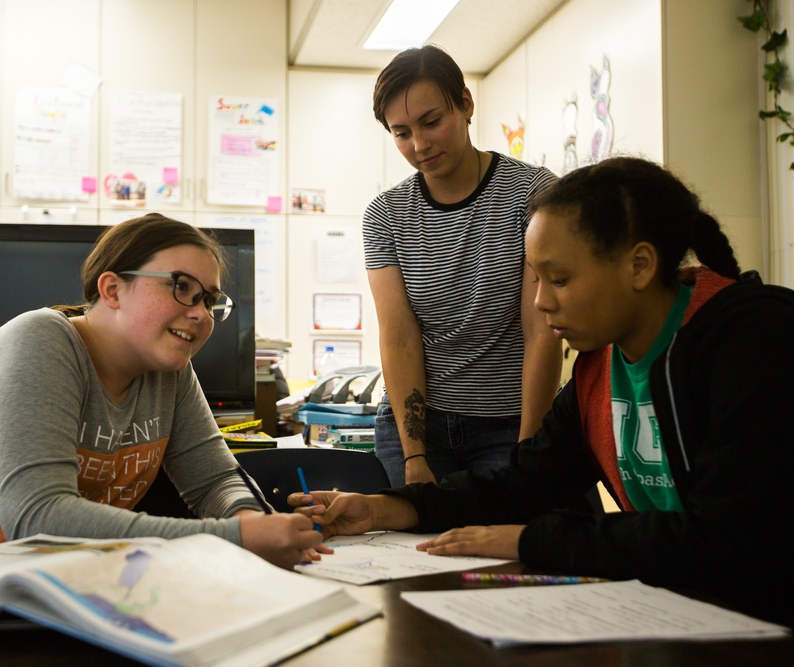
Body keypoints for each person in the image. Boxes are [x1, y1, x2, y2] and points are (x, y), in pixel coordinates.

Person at [293, 157, 794, 625]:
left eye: (559, 279)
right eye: (536, 279)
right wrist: (386, 508)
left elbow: (726, 541)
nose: (539, 302)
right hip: (698, 614)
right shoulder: (601, 367)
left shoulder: (756, 339)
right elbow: (522, 482)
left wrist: (533, 539)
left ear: (639, 266)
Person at [0, 213, 322, 570]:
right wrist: (234, 538)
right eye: (181, 287)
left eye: (209, 299)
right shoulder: (40, 340)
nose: (201, 314)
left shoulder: (168, 369)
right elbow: (38, 516)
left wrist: (249, 519)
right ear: (112, 289)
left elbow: (215, 480)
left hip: (48, 582)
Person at [363, 45, 562, 487]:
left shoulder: (534, 193)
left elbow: (542, 329)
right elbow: (399, 338)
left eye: (432, 122)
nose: (420, 145)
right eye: (401, 133)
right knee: (413, 549)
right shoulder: (386, 215)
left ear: (466, 104)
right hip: (419, 428)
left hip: (512, 421)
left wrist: (528, 447)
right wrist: (414, 457)